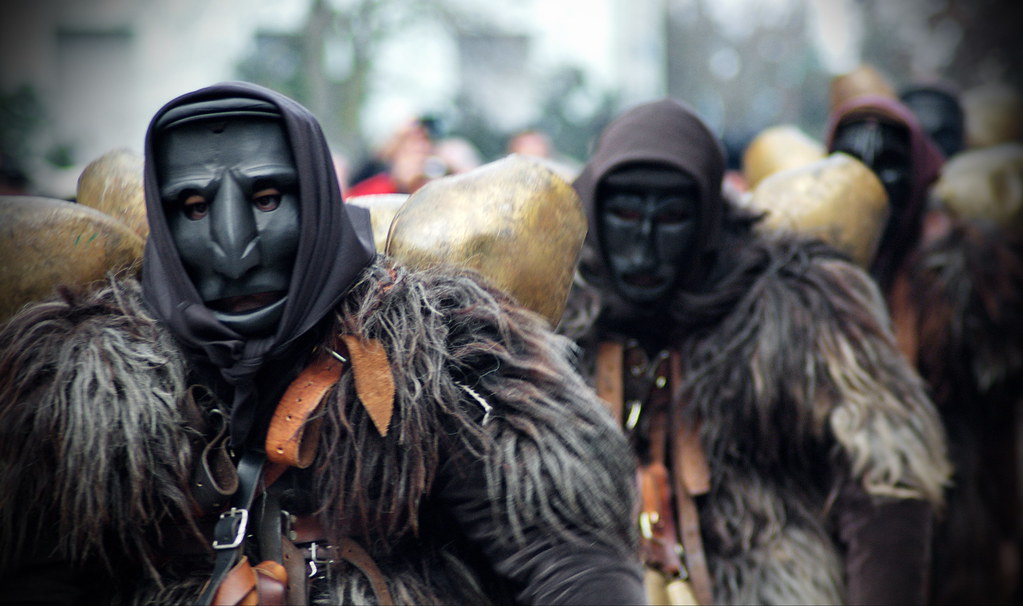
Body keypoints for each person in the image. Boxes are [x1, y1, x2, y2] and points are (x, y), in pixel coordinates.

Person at [0, 82, 645, 605]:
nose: (233, 247)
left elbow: (570, 567)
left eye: (268, 196)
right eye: (193, 206)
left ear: (316, 200)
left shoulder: (438, 357)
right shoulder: (91, 386)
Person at [561, 98, 951, 605]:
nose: (645, 246)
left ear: (705, 216)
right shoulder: (551, 326)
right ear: (593, 208)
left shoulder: (794, 306)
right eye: (626, 213)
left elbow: (886, 477)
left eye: (674, 217)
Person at [827, 94, 1023, 606]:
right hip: (839, 550)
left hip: (957, 548)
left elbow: (1002, 431)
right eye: (852, 161)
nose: (869, 178)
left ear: (920, 172)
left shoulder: (966, 287)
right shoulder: (804, 292)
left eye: (889, 164)